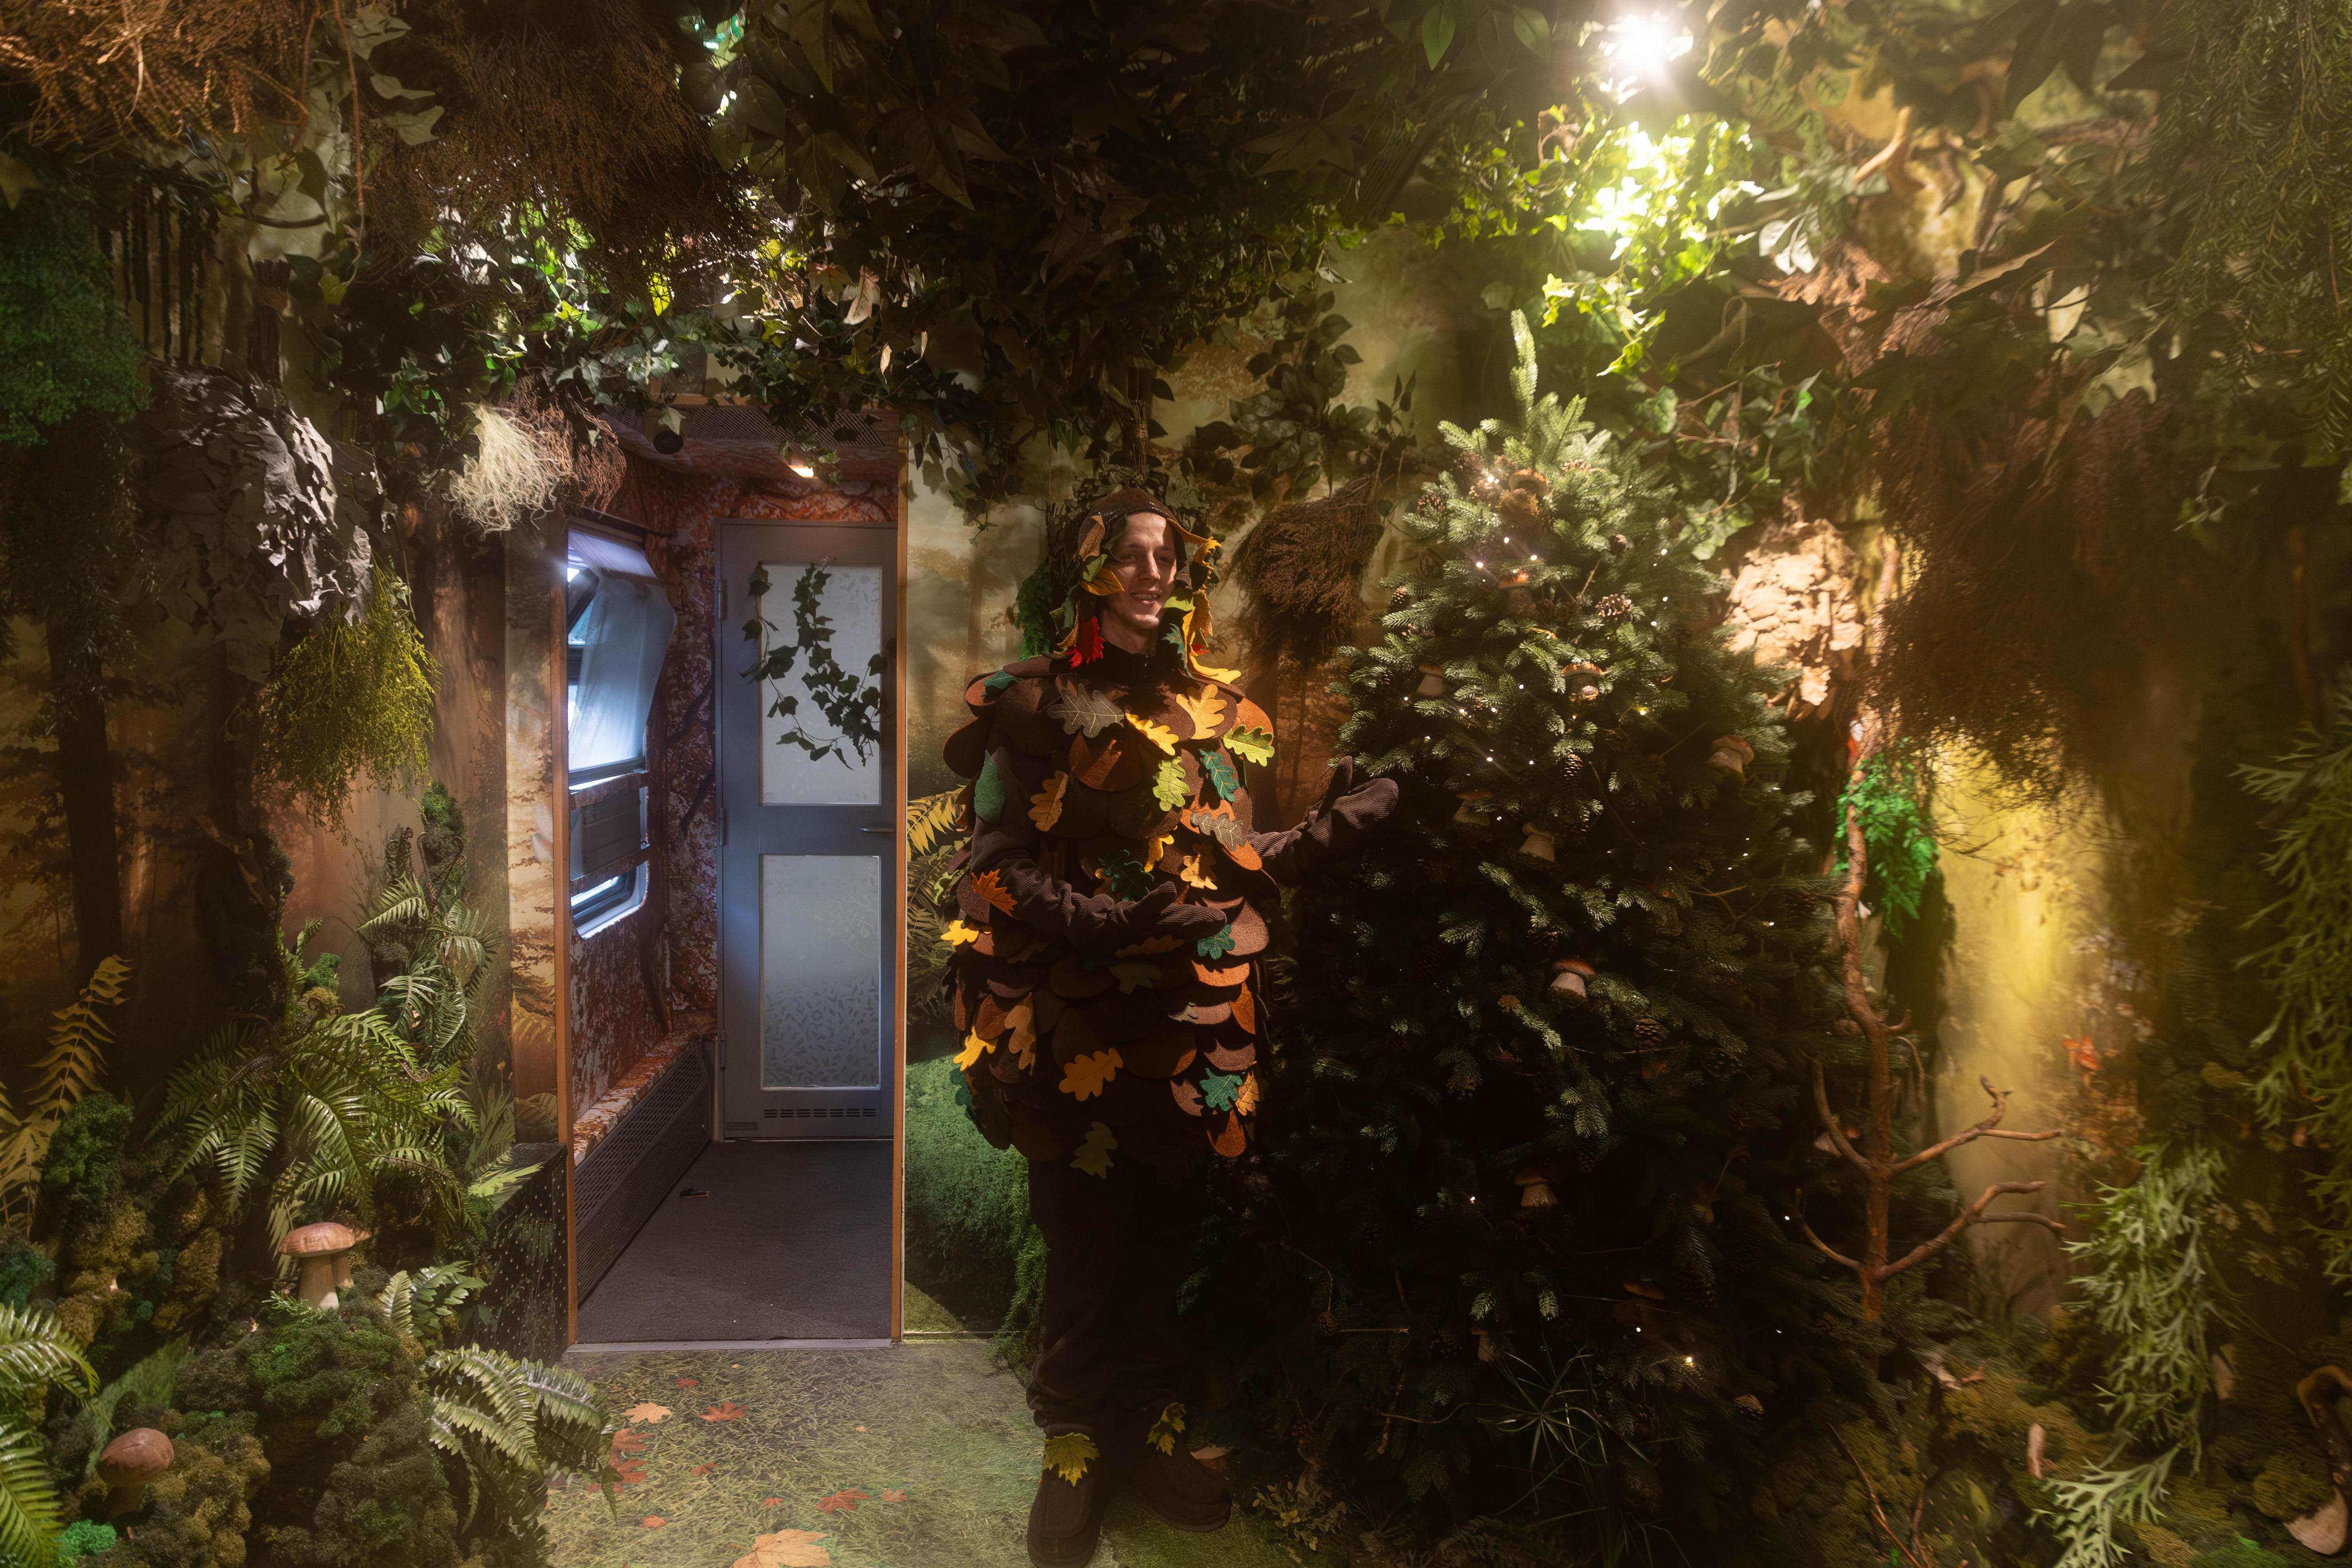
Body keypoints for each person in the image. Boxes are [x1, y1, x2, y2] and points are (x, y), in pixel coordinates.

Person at [938, 486, 1397, 1567]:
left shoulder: (1219, 714)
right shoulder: (1031, 703)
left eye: (1167, 556)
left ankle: (1146, 1422)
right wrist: (1097, 922)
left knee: (1164, 1230)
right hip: (1071, 1018)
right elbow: (992, 859)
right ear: (1089, 569)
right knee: (1081, 1235)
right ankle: (1071, 1444)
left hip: (1189, 1020)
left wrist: (1321, 838)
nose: (1153, 572)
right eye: (1130, 553)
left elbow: (1229, 854)